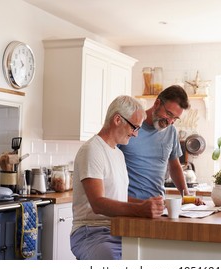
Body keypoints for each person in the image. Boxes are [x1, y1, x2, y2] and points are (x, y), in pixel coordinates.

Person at [70, 95, 164, 260]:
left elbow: (117, 197)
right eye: (134, 127)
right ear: (118, 120)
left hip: (118, 229)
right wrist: (139, 209)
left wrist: (149, 205)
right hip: (91, 232)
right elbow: (98, 204)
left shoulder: (118, 154)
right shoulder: (92, 150)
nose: (135, 134)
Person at [119, 85, 202, 203]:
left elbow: (174, 166)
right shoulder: (130, 126)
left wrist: (186, 196)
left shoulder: (171, 131)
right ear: (157, 103)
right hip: (131, 206)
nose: (170, 121)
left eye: (175, 118)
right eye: (168, 114)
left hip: (158, 207)